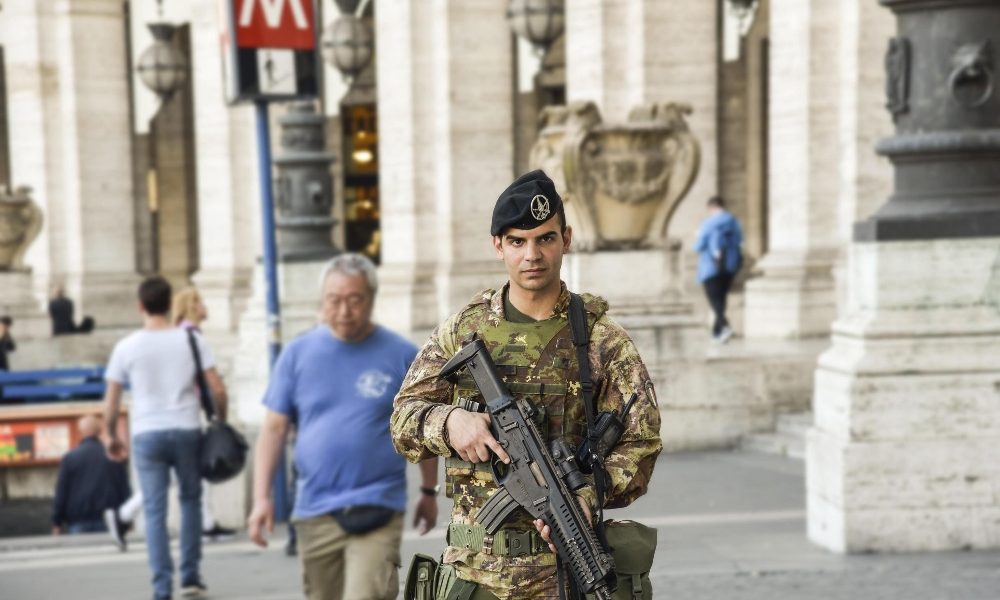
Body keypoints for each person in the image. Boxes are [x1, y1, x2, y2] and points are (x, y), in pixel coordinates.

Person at [390, 169, 663, 599]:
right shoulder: (463, 330)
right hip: (475, 577)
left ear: (566, 239)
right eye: (518, 241)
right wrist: (449, 422)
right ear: (498, 245)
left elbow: (642, 442)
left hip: (563, 575)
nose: (531, 255)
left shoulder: (602, 339)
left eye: (545, 239)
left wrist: (591, 492)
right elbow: (402, 420)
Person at [247, 253, 439, 600]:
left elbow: (421, 428)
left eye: (355, 300)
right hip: (315, 510)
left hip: (378, 504)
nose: (344, 311)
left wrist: (428, 491)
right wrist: (261, 499)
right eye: (334, 301)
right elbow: (274, 430)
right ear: (322, 301)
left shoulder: (401, 355)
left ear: (371, 300)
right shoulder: (297, 354)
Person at [102, 276, 228, 600]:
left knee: (155, 511)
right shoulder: (191, 340)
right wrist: (220, 422)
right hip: (186, 429)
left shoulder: (126, 346)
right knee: (190, 502)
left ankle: (161, 587)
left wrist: (111, 435)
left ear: (140, 306)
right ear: (170, 304)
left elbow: (112, 399)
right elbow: (216, 387)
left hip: (146, 433)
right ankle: (190, 576)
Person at [51, 415, 131, 535]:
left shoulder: (70, 458)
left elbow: (61, 492)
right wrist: (127, 520)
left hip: (77, 521)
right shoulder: (113, 456)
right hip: (109, 521)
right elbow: (124, 489)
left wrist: (57, 522)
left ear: (80, 433)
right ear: (100, 432)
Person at [694, 195, 744, 344]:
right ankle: (717, 333)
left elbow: (698, 246)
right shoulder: (734, 222)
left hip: (710, 267)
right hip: (729, 266)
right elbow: (739, 241)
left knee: (714, 300)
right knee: (721, 299)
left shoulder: (708, 223)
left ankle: (724, 326)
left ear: (711, 208)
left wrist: (697, 235)